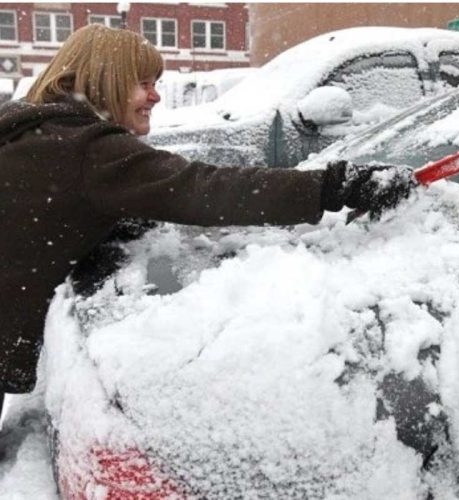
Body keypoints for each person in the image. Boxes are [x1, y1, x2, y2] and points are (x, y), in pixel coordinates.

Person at [0, 25, 415, 421]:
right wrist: (335, 186)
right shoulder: (88, 150)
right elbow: (205, 188)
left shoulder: (36, 132)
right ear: (105, 80)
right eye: (143, 82)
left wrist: (109, 220)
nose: (155, 96)